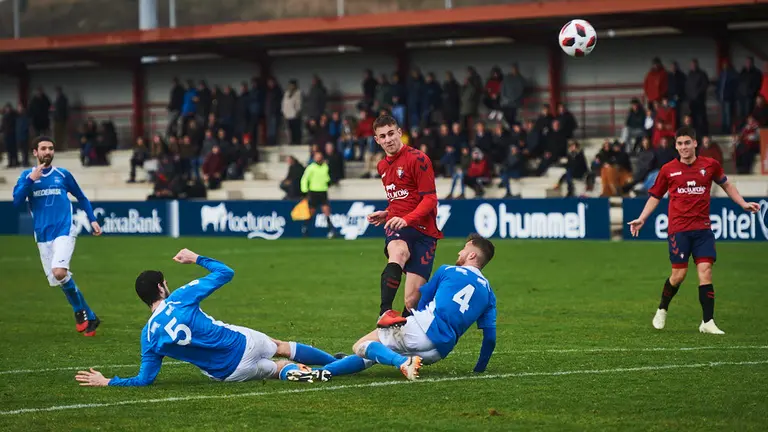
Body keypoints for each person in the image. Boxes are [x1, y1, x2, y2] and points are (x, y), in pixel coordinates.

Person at [74, 249, 336, 387]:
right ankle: (335, 365)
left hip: (228, 373)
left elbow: (145, 380)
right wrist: (196, 258)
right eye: (165, 282)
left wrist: (108, 381)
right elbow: (225, 272)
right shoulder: (179, 297)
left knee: (277, 370)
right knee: (279, 346)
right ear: (160, 288)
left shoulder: (149, 336)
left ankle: (314, 376)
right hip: (241, 343)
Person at [627, 126, 760, 334]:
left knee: (705, 272)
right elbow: (655, 196)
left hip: (703, 230)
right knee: (678, 275)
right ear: (676, 146)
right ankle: (662, 308)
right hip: (679, 230)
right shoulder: (668, 170)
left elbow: (726, 185)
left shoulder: (710, 165)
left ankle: (707, 322)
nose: (683, 147)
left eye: (687, 143)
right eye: (679, 143)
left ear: (695, 143)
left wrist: (742, 203)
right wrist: (642, 219)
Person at [314, 235, 496, 381]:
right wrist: (479, 370)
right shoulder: (489, 294)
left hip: (423, 328)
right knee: (374, 354)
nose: (459, 252)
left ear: (471, 255)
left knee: (360, 346)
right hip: (440, 350)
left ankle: (402, 362)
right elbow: (490, 339)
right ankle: (324, 372)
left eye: (463, 249)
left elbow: (423, 298)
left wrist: (410, 320)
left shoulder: (448, 270)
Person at [12, 136, 102, 336]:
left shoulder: (62, 174)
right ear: (35, 152)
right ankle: (91, 316)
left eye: (51, 148)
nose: (48, 152)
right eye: (43, 148)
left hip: (64, 230)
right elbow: (17, 202)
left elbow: (81, 196)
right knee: (60, 278)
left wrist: (92, 218)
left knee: (59, 272)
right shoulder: (27, 176)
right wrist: (30, 181)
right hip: (43, 236)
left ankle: (79, 311)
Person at [366, 115, 443, 328]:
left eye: (391, 133)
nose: (388, 139)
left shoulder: (418, 159)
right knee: (398, 252)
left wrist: (406, 218)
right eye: (383, 136)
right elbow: (399, 199)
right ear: (377, 140)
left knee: (412, 301)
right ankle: (385, 312)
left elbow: (430, 199)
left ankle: (403, 340)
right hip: (398, 228)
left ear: (400, 132)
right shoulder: (382, 166)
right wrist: (387, 213)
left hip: (425, 233)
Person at [300, 150, 338, 238]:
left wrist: (329, 182)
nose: (319, 159)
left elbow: (326, 177)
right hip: (314, 192)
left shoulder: (325, 167)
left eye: (320, 157)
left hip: (323, 191)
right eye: (317, 157)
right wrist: (304, 190)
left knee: (327, 211)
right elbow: (305, 179)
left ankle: (331, 230)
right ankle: (305, 228)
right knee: (311, 212)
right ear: (314, 158)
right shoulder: (311, 167)